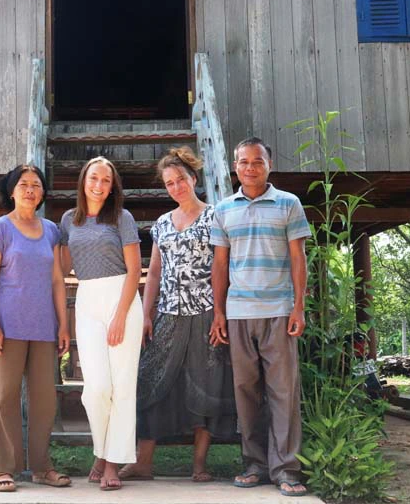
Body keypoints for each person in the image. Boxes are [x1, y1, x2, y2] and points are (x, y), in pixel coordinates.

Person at [120, 147, 236, 483]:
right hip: (168, 314)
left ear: (193, 178)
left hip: (203, 313)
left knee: (205, 384)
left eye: (180, 180)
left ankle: (199, 464)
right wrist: (145, 313)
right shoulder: (161, 224)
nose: (176, 187)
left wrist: (219, 312)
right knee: (152, 382)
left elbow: (220, 266)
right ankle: (144, 462)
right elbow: (153, 272)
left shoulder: (215, 216)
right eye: (169, 183)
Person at [209, 137, 311, 496]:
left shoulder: (288, 204)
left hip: (279, 312)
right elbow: (219, 264)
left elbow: (299, 259)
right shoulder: (223, 210)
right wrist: (219, 311)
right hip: (238, 313)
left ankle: (286, 469)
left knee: (283, 391)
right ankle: (253, 465)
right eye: (243, 162)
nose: (249, 167)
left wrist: (299, 306)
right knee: (245, 392)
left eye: (257, 161)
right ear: (235, 166)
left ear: (269, 164)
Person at [0, 164, 72, 493]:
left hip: (44, 326)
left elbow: (57, 280)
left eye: (36, 185)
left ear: (43, 192)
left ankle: (41, 466)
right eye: (24, 185)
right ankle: (3, 468)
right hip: (7, 325)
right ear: (12, 191)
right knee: (3, 396)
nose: (31, 190)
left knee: (44, 400)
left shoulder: (51, 230)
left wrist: (63, 323)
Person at [59, 156, 143, 491]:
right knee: (96, 389)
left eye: (106, 180)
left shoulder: (122, 218)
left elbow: (135, 270)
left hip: (121, 297)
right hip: (88, 299)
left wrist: (121, 314)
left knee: (122, 386)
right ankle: (101, 448)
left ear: (112, 187)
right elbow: (62, 267)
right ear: (83, 180)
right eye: (94, 178)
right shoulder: (68, 220)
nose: (99, 185)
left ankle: (110, 461)